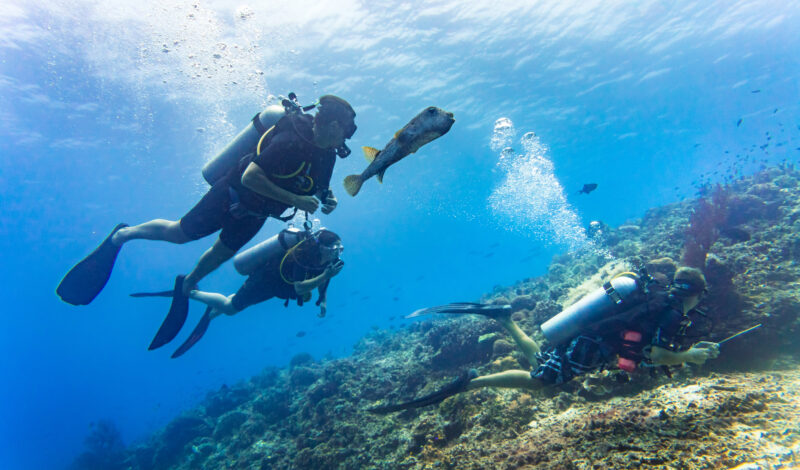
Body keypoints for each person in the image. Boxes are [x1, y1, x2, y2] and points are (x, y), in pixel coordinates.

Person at [57, 95, 356, 348]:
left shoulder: (327, 155)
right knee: (179, 233)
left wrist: (328, 199)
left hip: (258, 212)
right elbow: (249, 177)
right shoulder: (290, 138)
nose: (347, 138)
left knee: (221, 254)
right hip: (230, 194)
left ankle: (189, 283)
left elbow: (318, 187)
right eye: (347, 130)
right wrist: (296, 201)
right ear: (333, 125)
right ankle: (123, 235)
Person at [369, 266, 721, 413]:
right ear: (697, 293)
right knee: (541, 381)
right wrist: (690, 357)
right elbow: (656, 352)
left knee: (542, 360)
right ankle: (471, 382)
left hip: (587, 336)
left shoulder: (657, 294)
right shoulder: (673, 310)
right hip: (592, 345)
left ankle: (504, 318)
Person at [133, 229, 345, 358]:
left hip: (278, 287)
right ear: (321, 247)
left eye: (339, 249)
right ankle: (189, 291)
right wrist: (326, 275)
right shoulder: (302, 255)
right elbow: (301, 286)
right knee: (231, 308)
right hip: (265, 280)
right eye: (334, 248)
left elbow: (325, 278)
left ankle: (213, 309)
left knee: (233, 305)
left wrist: (322, 299)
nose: (337, 252)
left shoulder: (330, 260)